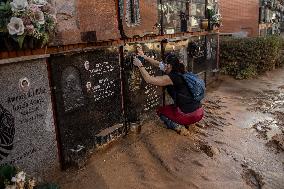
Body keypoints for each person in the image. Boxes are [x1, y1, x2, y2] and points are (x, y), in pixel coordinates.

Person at [133, 47, 204, 135]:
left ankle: (179, 128)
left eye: (164, 63)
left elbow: (149, 79)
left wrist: (139, 65)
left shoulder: (171, 78)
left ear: (169, 66)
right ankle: (187, 123)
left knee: (161, 111)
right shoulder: (180, 70)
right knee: (177, 107)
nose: (162, 64)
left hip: (190, 115)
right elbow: (158, 64)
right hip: (199, 111)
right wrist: (144, 56)